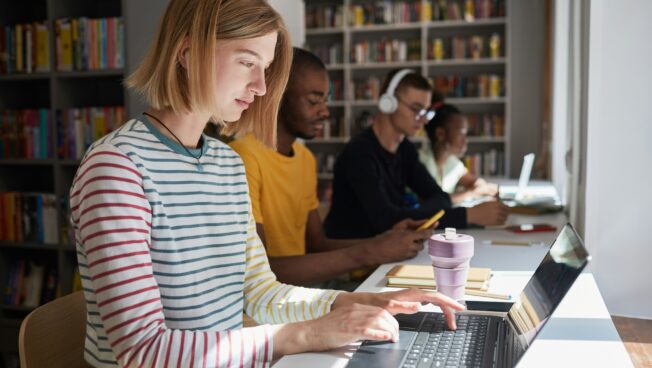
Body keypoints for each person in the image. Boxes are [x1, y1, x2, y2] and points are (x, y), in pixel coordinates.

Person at [69, 1, 464, 367]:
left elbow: (261, 293)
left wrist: (364, 301)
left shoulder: (226, 163)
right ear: (188, 54)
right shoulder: (117, 168)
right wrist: (303, 334)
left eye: (266, 67)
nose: (260, 86)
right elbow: (142, 351)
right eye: (247, 62)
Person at [230, 48, 434, 287]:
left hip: (305, 291)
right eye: (314, 101)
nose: (325, 112)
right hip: (274, 302)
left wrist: (383, 241)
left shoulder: (305, 158)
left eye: (326, 100)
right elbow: (262, 272)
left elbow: (317, 245)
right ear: (278, 95)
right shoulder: (243, 157)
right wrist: (370, 252)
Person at [324, 69, 508, 240]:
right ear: (388, 103)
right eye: (416, 109)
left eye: (426, 111)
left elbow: (440, 197)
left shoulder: (405, 149)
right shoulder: (359, 154)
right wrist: (467, 215)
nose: (422, 119)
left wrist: (411, 213)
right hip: (352, 259)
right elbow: (387, 221)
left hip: (387, 249)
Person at [420, 92, 499, 204]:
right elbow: (433, 201)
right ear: (440, 134)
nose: (465, 140)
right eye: (461, 133)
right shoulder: (421, 162)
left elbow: (473, 181)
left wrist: (482, 186)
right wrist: (472, 193)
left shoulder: (452, 162)